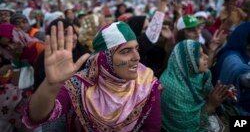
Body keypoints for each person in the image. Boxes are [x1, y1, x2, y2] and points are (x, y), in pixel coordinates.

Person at [22, 21, 161, 132]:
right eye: (126, 51)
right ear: (105, 58)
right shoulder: (79, 85)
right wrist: (51, 85)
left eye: (136, 48)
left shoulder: (146, 83)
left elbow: (152, 128)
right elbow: (36, 116)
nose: (137, 57)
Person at [160, 39, 232, 132]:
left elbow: (208, 96)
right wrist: (211, 104)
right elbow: (186, 126)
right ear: (187, 61)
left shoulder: (199, 75)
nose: (206, 56)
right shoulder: (172, 88)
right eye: (199, 55)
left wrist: (219, 94)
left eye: (204, 53)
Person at [213, 22, 250, 115]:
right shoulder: (231, 56)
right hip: (231, 112)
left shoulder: (246, 55)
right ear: (247, 44)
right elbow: (243, 77)